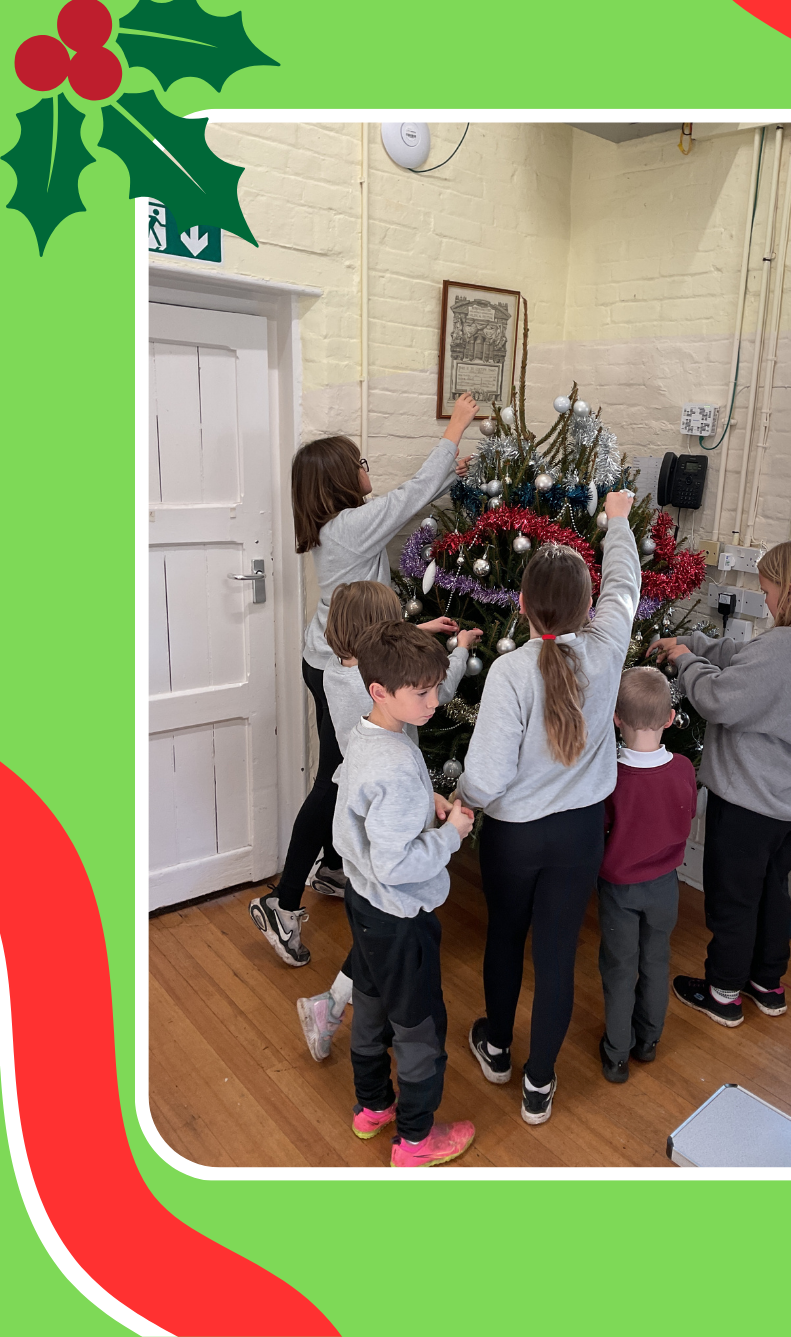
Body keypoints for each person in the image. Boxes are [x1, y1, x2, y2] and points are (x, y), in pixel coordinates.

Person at [248, 392, 476, 967]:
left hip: (335, 656)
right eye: (361, 463)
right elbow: (408, 498)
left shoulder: (337, 529)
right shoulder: (350, 526)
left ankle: (331, 865)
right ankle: (281, 901)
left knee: (340, 770)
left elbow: (365, 614)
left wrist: (413, 628)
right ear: (340, 482)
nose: (368, 470)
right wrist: (454, 428)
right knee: (336, 777)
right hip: (342, 669)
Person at [457, 489, 640, 1126]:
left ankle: (497, 1049)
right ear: (589, 606)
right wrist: (617, 521)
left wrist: (462, 805)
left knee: (505, 937)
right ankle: (540, 1084)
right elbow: (626, 584)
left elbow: (486, 775)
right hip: (579, 834)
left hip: (514, 837)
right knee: (558, 955)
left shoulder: (510, 672)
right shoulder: (608, 645)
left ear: (522, 604)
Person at [650, 538, 791, 1028]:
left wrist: (685, 660)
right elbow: (747, 657)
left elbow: (718, 699)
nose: (766, 599)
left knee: (733, 899)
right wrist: (695, 643)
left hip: (753, 803)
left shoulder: (784, 648)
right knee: (771, 891)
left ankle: (722, 993)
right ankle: (767, 983)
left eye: (769, 590)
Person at [296, 580, 482, 1061]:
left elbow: (394, 667)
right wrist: (459, 650)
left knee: (370, 938)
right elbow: (436, 688)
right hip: (392, 834)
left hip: (372, 831)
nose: (430, 697)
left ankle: (333, 1010)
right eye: (396, 622)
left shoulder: (340, 674)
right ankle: (334, 1007)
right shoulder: (391, 743)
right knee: (385, 943)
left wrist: (421, 632)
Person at [334, 619, 476, 1167]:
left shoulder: (371, 735)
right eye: (422, 692)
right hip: (400, 916)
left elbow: (376, 812)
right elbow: (394, 863)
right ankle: (416, 1141)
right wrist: (450, 834)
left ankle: (372, 1107)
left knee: (371, 1007)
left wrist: (426, 804)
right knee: (419, 1028)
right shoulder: (394, 762)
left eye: (436, 687)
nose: (435, 701)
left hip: (365, 905)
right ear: (379, 691)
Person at [596, 666, 698, 1083]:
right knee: (656, 961)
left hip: (620, 888)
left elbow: (601, 828)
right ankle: (648, 1041)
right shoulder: (683, 768)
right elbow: (688, 813)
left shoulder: (611, 774)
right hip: (665, 887)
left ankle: (616, 1054)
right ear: (670, 718)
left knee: (620, 968)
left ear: (615, 718)